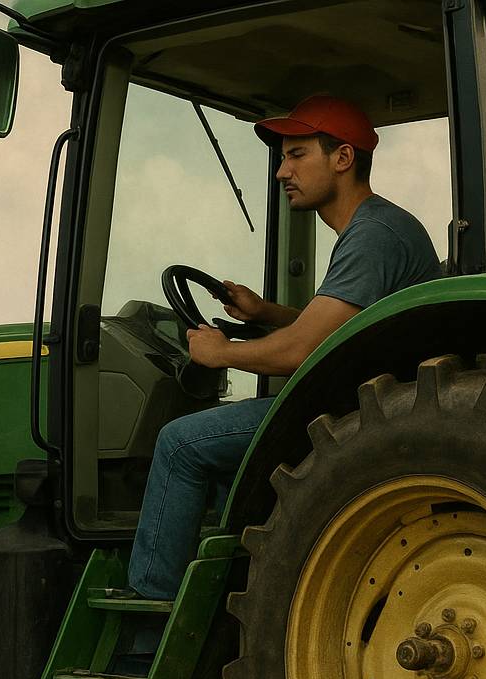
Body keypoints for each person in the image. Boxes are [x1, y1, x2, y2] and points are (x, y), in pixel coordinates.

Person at [125, 95, 440, 623]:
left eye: (296, 156)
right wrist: (265, 311)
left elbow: (304, 350)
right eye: (282, 158)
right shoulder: (379, 228)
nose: (281, 172)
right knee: (225, 465)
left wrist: (222, 352)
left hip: (354, 411)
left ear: (342, 158)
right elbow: (341, 327)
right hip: (370, 399)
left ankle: (145, 625)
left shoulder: (373, 237)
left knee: (179, 444)